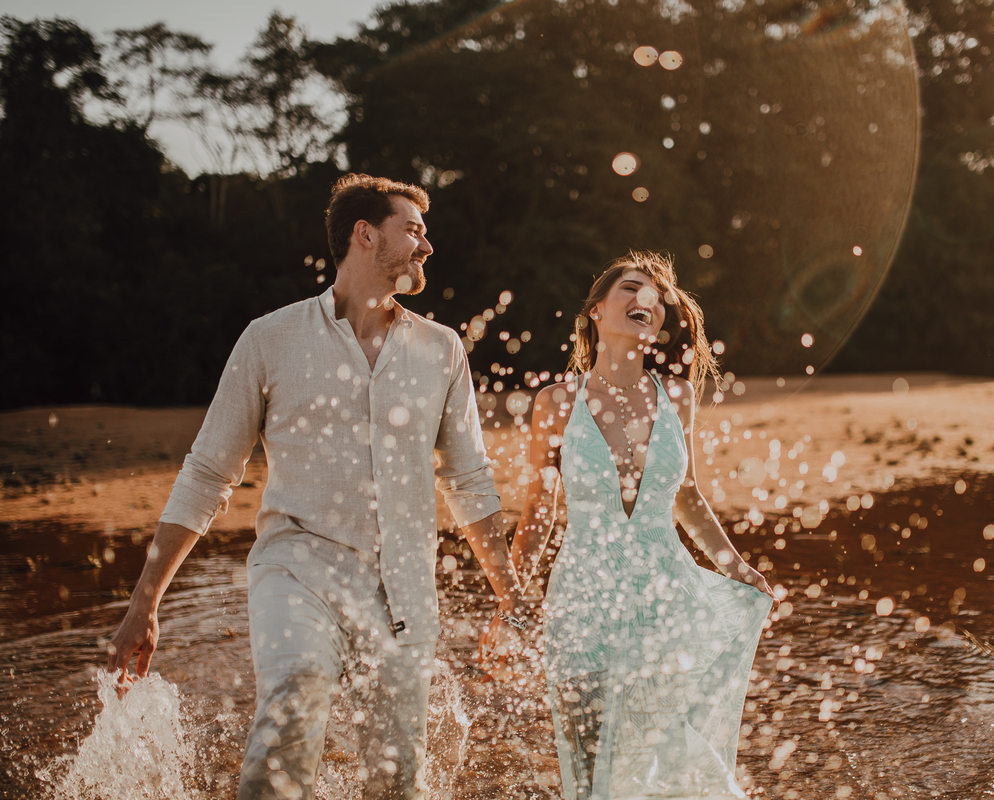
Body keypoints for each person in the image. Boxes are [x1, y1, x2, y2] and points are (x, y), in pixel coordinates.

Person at [105, 173, 528, 800]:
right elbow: (209, 472)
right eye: (413, 230)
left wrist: (509, 595)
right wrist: (145, 602)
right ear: (365, 235)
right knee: (294, 694)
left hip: (404, 592)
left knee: (397, 779)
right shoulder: (269, 339)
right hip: (297, 572)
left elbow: (468, 480)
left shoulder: (441, 349)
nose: (427, 246)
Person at [508, 251, 775, 799]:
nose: (644, 301)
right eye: (630, 288)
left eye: (654, 298)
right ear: (594, 311)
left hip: (665, 594)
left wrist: (736, 567)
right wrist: (510, 599)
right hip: (583, 593)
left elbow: (688, 496)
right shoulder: (556, 403)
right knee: (586, 758)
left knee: (657, 746)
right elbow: (539, 509)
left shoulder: (676, 396)